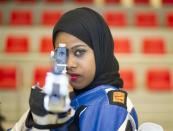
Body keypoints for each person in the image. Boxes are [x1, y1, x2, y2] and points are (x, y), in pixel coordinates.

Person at [10, 7, 138, 131]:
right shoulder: (56, 98)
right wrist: (32, 121)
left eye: (79, 52)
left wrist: (63, 124)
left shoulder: (110, 106)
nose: (69, 64)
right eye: (61, 54)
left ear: (100, 52)